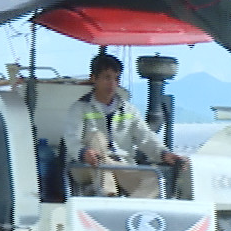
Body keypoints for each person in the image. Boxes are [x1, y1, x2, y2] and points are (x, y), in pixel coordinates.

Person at [65, 52, 183, 198]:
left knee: (155, 181)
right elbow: (71, 139)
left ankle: (123, 209)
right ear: (93, 78)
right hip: (84, 167)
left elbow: (145, 137)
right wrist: (83, 153)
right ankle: (108, 194)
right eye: (107, 78)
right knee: (96, 137)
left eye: (116, 78)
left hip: (123, 166)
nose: (112, 84)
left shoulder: (129, 110)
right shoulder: (79, 108)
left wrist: (164, 154)